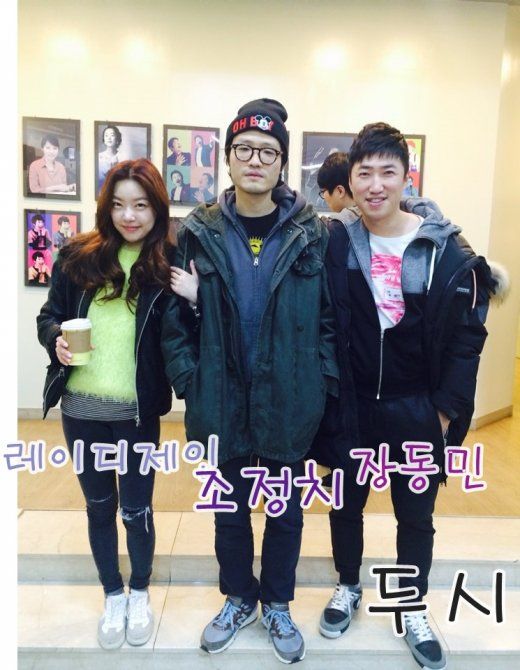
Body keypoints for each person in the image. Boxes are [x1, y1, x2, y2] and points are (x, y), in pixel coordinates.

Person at [311, 122, 505, 670]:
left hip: (417, 407)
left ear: (406, 177)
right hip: (352, 406)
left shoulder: (443, 247)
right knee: (345, 505)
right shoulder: (336, 241)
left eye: (387, 172)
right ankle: (348, 585)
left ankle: (412, 604)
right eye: (364, 173)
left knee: (415, 516)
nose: (375, 185)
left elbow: (467, 338)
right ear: (350, 181)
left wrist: (444, 412)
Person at [162, 98, 338, 664]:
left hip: (290, 400)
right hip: (220, 398)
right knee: (229, 513)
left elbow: (330, 320)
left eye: (268, 151)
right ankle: (239, 598)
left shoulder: (313, 233)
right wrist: (191, 381)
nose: (255, 160)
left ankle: (278, 604)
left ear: (282, 162)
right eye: (244, 149)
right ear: (228, 158)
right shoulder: (197, 232)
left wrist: (319, 384)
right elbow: (174, 321)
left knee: (285, 513)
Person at [37, 158, 197, 651]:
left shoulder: (169, 264)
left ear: (157, 209)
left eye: (141, 205)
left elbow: (193, 334)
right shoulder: (77, 257)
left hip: (136, 415)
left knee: (136, 509)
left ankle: (140, 592)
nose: (130, 216)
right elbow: (50, 315)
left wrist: (196, 297)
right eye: (120, 205)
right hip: (81, 412)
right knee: (99, 507)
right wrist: (55, 340)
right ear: (106, 207)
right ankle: (112, 594)